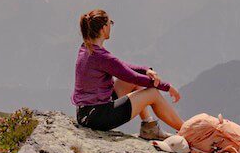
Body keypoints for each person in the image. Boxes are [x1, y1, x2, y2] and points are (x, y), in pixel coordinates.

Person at [71, 9, 183, 140]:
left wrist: (145, 70)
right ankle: (189, 131)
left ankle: (149, 127)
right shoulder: (100, 56)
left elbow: (120, 67)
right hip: (97, 117)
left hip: (86, 113)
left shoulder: (86, 47)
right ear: (103, 28)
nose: (111, 27)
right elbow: (132, 76)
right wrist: (167, 87)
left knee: (133, 82)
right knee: (152, 93)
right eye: (110, 23)